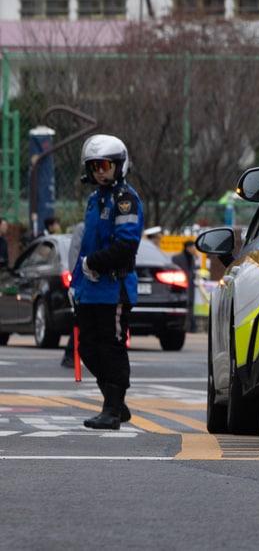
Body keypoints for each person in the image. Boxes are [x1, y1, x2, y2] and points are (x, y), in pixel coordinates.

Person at [71, 135, 143, 430]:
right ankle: (116, 403)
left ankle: (112, 407)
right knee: (87, 347)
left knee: (111, 347)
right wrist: (75, 283)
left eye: (105, 165)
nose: (100, 171)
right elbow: (85, 246)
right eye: (95, 166)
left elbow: (126, 245)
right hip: (89, 289)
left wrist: (94, 263)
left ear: (119, 165)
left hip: (114, 287)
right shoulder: (94, 200)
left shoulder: (125, 200)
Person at [60, 221, 85, 369]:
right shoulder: (83, 228)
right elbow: (74, 255)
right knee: (81, 320)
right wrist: (76, 279)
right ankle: (70, 354)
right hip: (83, 282)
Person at [173, 241, 199, 331]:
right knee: (183, 305)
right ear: (188, 248)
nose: (194, 249)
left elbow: (194, 272)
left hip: (190, 286)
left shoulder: (192, 258)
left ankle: (191, 326)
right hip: (181, 285)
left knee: (190, 305)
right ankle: (185, 326)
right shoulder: (176, 258)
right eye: (193, 247)